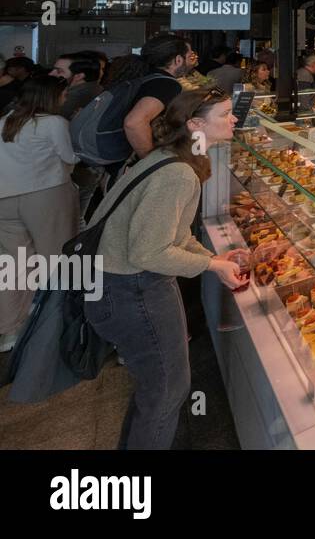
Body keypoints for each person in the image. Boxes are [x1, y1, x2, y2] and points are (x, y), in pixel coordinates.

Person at [85, 88, 248, 449]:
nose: (234, 119)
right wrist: (210, 263)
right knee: (166, 391)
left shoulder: (168, 157)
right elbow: (148, 251)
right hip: (133, 289)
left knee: (157, 390)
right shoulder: (178, 174)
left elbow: (172, 235)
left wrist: (214, 258)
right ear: (194, 124)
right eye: (224, 114)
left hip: (121, 284)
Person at [0, 76, 79, 352]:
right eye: (64, 93)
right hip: (46, 195)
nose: (65, 98)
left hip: (5, 200)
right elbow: (69, 157)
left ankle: (9, 331)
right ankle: (51, 324)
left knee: (13, 265)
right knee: (55, 259)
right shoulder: (54, 123)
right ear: (50, 96)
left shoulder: (6, 120)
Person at [121, 34, 192, 161]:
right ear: (178, 60)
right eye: (189, 57)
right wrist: (149, 161)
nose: (191, 62)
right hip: (129, 158)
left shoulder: (146, 76)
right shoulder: (167, 84)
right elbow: (134, 122)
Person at [52, 51, 104, 119]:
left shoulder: (74, 96)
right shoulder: (95, 89)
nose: (51, 74)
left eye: (59, 71)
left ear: (79, 76)